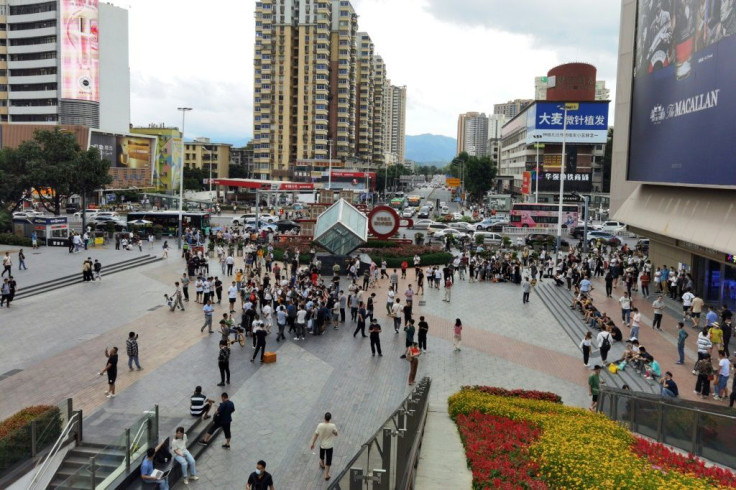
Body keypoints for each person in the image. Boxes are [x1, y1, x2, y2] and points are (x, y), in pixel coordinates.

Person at [310, 412, 339, 481]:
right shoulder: (332, 426)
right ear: (330, 418)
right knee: (328, 460)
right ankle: (326, 474)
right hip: (329, 445)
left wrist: (313, 443)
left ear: (324, 418)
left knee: (322, 455)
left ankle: (322, 464)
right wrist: (333, 432)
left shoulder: (320, 425)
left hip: (322, 445)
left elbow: (316, 435)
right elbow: (336, 434)